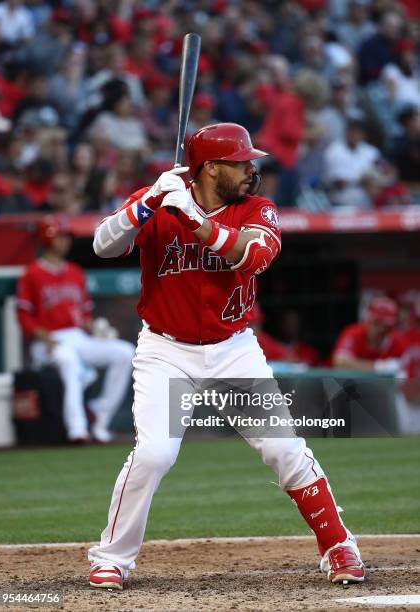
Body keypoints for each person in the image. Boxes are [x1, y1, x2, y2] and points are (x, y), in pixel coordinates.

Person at [88, 122, 365, 590]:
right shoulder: (160, 199)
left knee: (283, 447)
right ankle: (112, 557)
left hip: (233, 350)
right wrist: (149, 202)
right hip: (165, 350)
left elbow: (253, 256)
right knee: (154, 454)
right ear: (211, 168)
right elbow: (103, 243)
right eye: (240, 163)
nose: (251, 170)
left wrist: (196, 221)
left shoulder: (258, 209)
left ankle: (339, 544)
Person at [16, 214, 135, 443]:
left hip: (77, 337)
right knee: (69, 361)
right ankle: (77, 429)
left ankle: (100, 415)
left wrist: (97, 328)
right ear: (47, 239)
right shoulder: (32, 274)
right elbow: (23, 316)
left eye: (66, 237)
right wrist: (44, 337)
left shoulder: (75, 272)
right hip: (48, 341)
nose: (65, 242)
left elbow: (84, 314)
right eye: (60, 237)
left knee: (124, 352)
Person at [332, 296, 405, 372]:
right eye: (376, 323)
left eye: (385, 325)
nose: (380, 329)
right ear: (369, 319)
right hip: (350, 383)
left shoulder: (397, 341)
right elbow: (340, 363)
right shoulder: (354, 333)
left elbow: (406, 371)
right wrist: (378, 367)